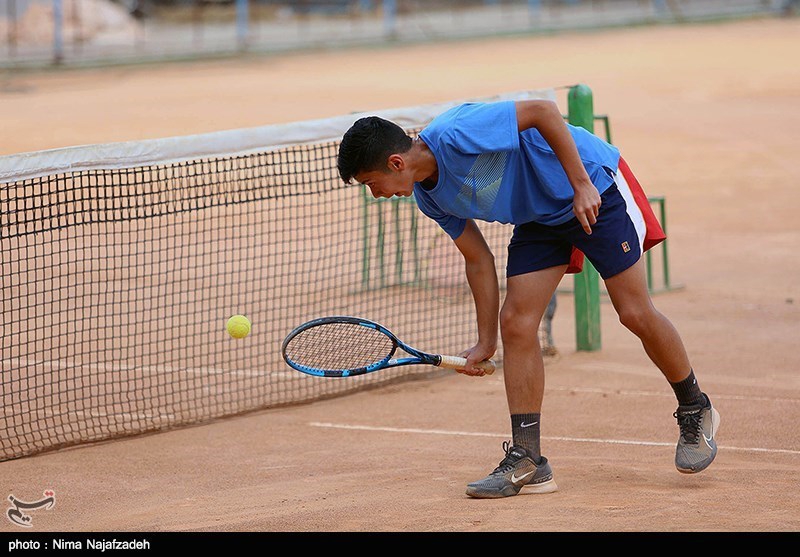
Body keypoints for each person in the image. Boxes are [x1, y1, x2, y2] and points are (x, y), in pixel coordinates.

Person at [336, 99, 720, 498]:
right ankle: (528, 460)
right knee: (516, 323)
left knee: (634, 312)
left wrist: (581, 184)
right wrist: (486, 341)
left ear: (396, 163)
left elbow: (543, 111)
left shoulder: (456, 132)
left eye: (371, 183)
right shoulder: (430, 198)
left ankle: (696, 408)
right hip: (539, 218)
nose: (376, 194)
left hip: (589, 185)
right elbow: (478, 259)